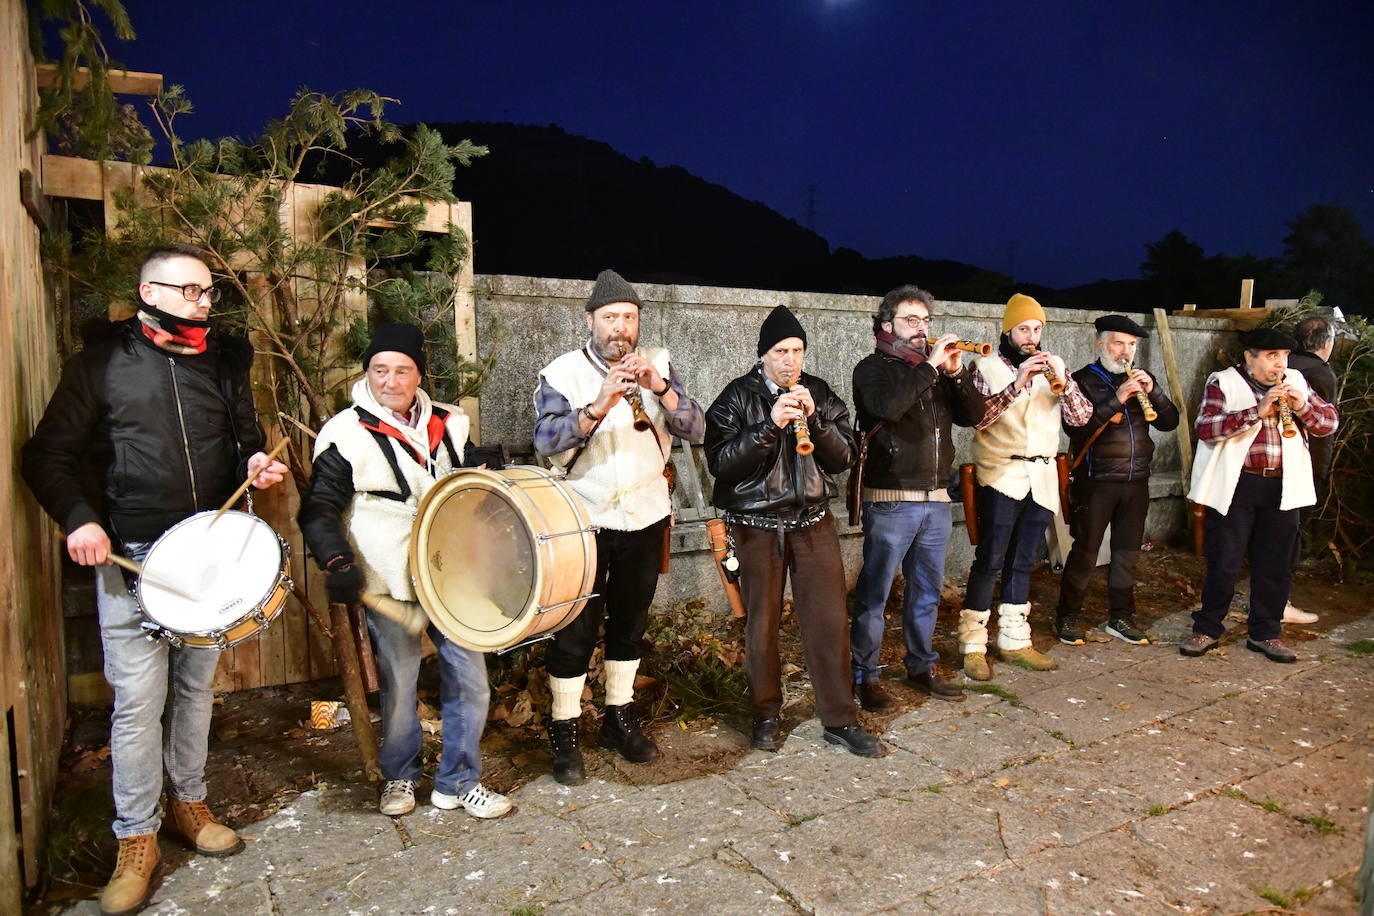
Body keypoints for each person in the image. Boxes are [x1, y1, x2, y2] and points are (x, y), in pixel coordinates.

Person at [21, 244, 289, 916]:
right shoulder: (104, 363)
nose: (203, 304)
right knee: (138, 705)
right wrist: (80, 519)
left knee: (196, 690)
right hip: (132, 558)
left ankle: (188, 804)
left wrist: (255, 462)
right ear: (150, 291)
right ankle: (134, 837)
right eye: (191, 292)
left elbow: (245, 436)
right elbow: (45, 455)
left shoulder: (225, 362)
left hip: (210, 556)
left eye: (208, 293)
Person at [298, 323, 511, 819]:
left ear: (419, 375)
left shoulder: (451, 422)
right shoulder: (345, 433)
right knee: (399, 683)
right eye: (379, 370)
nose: (390, 381)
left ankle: (458, 781)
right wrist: (336, 560)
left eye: (401, 371)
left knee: (471, 680)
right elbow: (319, 508)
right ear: (368, 373)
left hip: (451, 569)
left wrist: (489, 478)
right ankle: (400, 776)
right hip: (387, 573)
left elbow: (468, 474)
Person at [533, 269, 705, 785]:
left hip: (646, 515)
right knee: (575, 627)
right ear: (590, 321)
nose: (620, 328)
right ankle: (564, 728)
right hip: (583, 519)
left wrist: (661, 389)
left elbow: (696, 428)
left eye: (629, 318)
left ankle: (617, 718)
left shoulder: (659, 367)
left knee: (630, 623)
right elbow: (546, 440)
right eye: (610, 317)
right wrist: (600, 403)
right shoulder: (562, 373)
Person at [705, 304, 882, 757]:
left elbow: (845, 458)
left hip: (812, 522)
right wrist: (770, 425)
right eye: (781, 351)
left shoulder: (818, 392)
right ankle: (765, 713)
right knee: (761, 624)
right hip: (756, 524)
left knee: (828, 622)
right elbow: (721, 464)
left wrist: (815, 421)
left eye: (798, 350)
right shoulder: (735, 397)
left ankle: (840, 719)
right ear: (763, 354)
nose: (791, 361)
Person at [849, 286, 986, 709]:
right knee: (875, 593)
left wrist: (957, 372)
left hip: (937, 499)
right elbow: (888, 407)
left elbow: (975, 417)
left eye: (925, 321)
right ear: (887, 325)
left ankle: (920, 666)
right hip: (891, 498)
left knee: (927, 591)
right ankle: (865, 675)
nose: (921, 328)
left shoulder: (936, 372)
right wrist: (929, 365)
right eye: (912, 320)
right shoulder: (872, 369)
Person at [1182, 327, 1337, 663]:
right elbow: (1206, 428)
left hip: (1284, 484)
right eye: (1270, 357)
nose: (1279, 365)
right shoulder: (1223, 381)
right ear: (1249, 357)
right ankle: (1207, 628)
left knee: (1276, 563)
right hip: (1238, 484)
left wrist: (1303, 408)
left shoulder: (1295, 380)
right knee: (1225, 559)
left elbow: (1329, 423)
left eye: (1282, 357)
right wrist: (1257, 410)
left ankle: (1265, 633)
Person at [960, 293, 1093, 680]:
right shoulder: (984, 365)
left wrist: (1064, 384)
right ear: (1008, 331)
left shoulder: (1056, 366)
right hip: (1001, 473)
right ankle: (973, 644)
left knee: (1023, 560)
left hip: (1042, 475)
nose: (1031, 336)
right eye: (1023, 329)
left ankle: (1015, 640)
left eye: (1037, 329)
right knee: (991, 558)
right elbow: (978, 420)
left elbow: (1081, 418)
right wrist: (1018, 383)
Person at [1054, 315, 1179, 646]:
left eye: (1131, 345)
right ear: (1100, 344)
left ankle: (1120, 617)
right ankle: (1067, 617)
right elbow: (1077, 429)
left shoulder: (1143, 378)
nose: (1126, 352)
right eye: (1118, 344)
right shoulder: (1081, 379)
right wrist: (1118, 397)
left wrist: (1155, 392)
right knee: (1085, 552)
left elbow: (1170, 422)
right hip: (1096, 481)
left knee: (1127, 552)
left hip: (1136, 480)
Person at [1282, 315, 1339, 625]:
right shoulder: (1319, 374)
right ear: (1327, 343)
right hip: (1302, 465)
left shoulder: (1280, 364)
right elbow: (1322, 429)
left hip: (1269, 466)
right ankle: (1280, 601)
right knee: (1291, 533)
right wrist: (1320, 469)